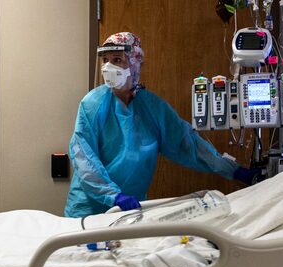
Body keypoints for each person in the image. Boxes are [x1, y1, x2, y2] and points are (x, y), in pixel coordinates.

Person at [65, 32, 262, 217]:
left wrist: (233, 170)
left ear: (135, 63)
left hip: (129, 209)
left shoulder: (152, 108)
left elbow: (188, 144)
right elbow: (84, 157)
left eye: (117, 60)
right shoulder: (92, 104)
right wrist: (112, 195)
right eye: (105, 61)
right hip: (89, 209)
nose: (108, 68)